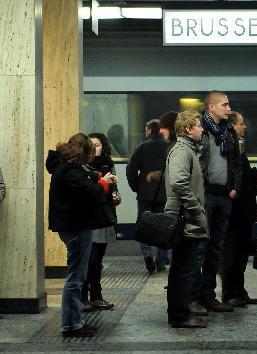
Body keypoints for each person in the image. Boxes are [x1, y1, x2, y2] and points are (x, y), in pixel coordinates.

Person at [46, 133, 117, 337]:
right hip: (76, 227)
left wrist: (99, 179)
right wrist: (103, 184)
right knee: (75, 279)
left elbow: (85, 179)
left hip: (72, 226)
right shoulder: (69, 172)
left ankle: (75, 321)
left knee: (76, 277)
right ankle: (71, 325)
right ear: (84, 152)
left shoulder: (65, 168)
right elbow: (90, 191)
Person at [191, 90, 242, 313]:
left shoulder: (228, 132)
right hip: (205, 196)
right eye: (224, 105)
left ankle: (208, 295)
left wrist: (235, 187)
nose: (228, 108)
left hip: (224, 196)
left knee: (215, 249)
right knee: (199, 247)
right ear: (211, 107)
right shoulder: (199, 130)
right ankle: (194, 296)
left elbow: (237, 162)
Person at [164, 111, 210, 328]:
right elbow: (179, 182)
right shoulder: (183, 151)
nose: (202, 129)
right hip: (186, 220)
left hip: (187, 218)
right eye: (199, 125)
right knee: (185, 270)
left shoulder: (187, 150)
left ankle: (179, 312)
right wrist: (197, 209)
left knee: (182, 269)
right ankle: (179, 314)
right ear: (188, 129)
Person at [221, 111, 257, 307]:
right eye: (241, 124)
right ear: (232, 126)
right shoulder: (229, 149)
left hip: (244, 208)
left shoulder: (240, 148)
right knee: (232, 251)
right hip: (235, 210)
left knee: (241, 251)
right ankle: (230, 292)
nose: (244, 127)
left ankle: (239, 290)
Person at [80, 133, 120, 312]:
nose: (95, 148)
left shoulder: (108, 165)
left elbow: (115, 191)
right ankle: (83, 297)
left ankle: (96, 296)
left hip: (104, 216)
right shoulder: (82, 166)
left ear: (103, 146)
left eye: (97, 145)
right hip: (89, 217)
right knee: (89, 260)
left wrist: (115, 197)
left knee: (98, 260)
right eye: (91, 145)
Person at [127, 119, 171, 273]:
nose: (145, 132)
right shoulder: (169, 146)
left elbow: (131, 169)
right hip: (165, 194)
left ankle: (147, 253)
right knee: (164, 227)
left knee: (144, 225)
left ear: (151, 130)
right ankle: (161, 261)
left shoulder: (142, 147)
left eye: (146, 129)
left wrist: (136, 187)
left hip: (145, 193)